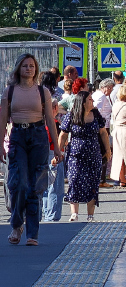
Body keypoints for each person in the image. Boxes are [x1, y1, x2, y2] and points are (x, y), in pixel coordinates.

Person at [1, 54, 63, 245]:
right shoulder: (9, 91)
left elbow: (50, 121)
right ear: (18, 69)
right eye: (25, 66)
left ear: (36, 69)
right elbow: (2, 120)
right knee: (19, 184)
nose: (28, 69)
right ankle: (17, 224)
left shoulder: (42, 91)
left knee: (35, 186)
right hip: (17, 136)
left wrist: (58, 148)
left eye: (32, 66)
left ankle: (32, 234)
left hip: (38, 136)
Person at [59, 88, 109, 221]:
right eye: (90, 99)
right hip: (75, 155)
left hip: (93, 155)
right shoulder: (71, 115)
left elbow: (103, 133)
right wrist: (58, 152)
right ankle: (74, 213)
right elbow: (63, 134)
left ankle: (90, 215)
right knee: (74, 180)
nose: (92, 101)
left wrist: (108, 150)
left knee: (92, 183)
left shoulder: (96, 114)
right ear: (82, 102)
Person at [41, 74, 74, 223]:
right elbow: (54, 141)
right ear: (54, 108)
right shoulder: (52, 123)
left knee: (46, 188)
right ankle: (52, 215)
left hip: (44, 155)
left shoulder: (41, 122)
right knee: (55, 187)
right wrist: (59, 153)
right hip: (53, 155)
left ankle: (46, 213)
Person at [92, 78, 115, 187]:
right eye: (109, 87)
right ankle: (101, 180)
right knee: (105, 151)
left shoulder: (97, 94)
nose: (111, 90)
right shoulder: (101, 96)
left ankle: (100, 178)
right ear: (103, 87)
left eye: (112, 88)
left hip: (101, 126)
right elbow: (96, 110)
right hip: (102, 127)